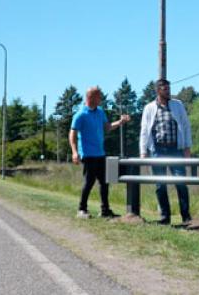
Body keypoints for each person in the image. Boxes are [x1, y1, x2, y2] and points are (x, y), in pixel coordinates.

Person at [69, 86, 130, 219]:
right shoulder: (80, 114)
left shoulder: (100, 112)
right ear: (91, 97)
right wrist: (74, 152)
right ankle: (81, 210)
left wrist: (120, 122)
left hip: (100, 153)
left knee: (104, 182)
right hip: (88, 154)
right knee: (89, 181)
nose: (101, 99)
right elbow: (72, 134)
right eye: (99, 96)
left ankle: (105, 210)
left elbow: (107, 127)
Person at [139, 78, 192, 225]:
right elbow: (144, 130)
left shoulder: (177, 105)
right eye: (165, 89)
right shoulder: (149, 108)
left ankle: (186, 216)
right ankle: (165, 217)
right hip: (157, 150)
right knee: (160, 184)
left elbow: (186, 126)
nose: (168, 91)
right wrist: (143, 151)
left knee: (181, 182)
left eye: (169, 88)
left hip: (176, 149)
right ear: (158, 91)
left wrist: (187, 147)